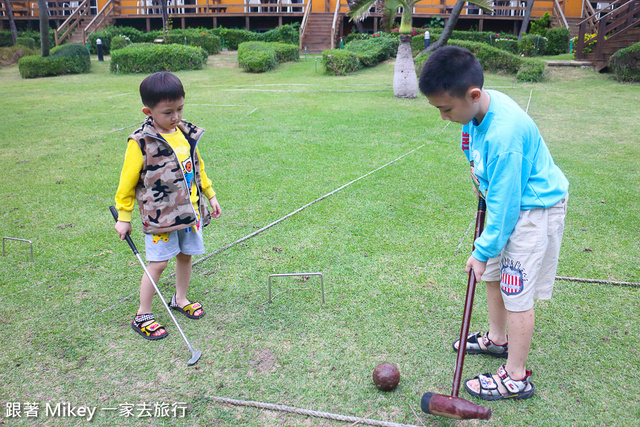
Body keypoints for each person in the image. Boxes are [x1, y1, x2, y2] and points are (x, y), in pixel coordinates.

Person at [418, 46, 569, 401]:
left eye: (445, 109)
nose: (443, 117)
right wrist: (473, 162)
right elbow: (472, 141)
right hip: (508, 203)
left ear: (472, 95)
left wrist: (483, 249)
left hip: (533, 211)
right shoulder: (479, 108)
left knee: (515, 290)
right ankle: (497, 340)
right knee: (492, 275)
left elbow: (506, 206)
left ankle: (516, 376)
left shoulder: (505, 136)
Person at [114, 72, 222, 340]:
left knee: (186, 256)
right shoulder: (140, 141)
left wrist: (210, 194)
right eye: (167, 112)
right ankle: (143, 314)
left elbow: (197, 167)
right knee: (158, 263)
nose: (175, 117)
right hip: (161, 217)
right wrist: (123, 216)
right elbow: (126, 183)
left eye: (180, 109)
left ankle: (180, 298)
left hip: (190, 212)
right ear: (148, 111)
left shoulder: (185, 133)